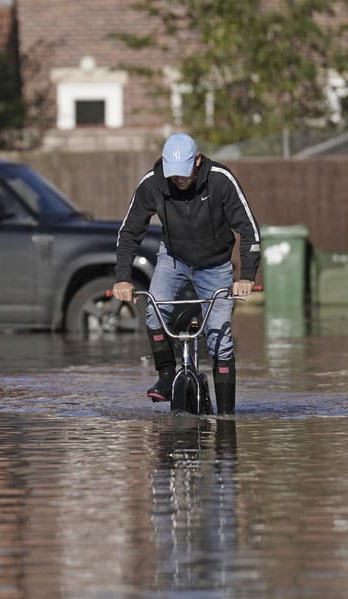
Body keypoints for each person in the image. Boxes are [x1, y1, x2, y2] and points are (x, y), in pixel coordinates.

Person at [112, 133, 261, 414]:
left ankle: (226, 415)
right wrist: (122, 277)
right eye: (173, 175)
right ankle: (167, 375)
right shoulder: (153, 183)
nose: (178, 180)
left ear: (198, 161)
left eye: (184, 174)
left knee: (221, 339)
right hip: (174, 259)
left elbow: (248, 230)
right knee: (155, 311)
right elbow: (130, 232)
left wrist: (246, 277)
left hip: (216, 265)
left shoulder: (220, 180)